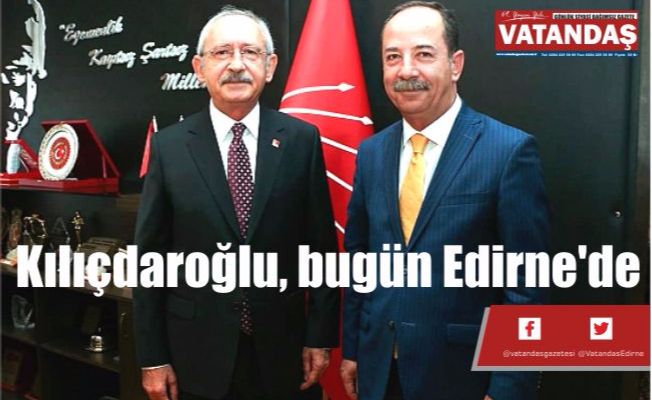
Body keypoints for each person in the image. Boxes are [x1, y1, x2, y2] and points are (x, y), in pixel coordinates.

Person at [340, 2, 549, 400]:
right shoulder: (372, 153)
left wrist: (508, 388)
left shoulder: (508, 152)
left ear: (455, 64)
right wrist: (352, 349)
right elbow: (359, 260)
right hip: (379, 370)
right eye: (392, 57)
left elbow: (527, 285)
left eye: (423, 54)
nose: (406, 71)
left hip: (463, 377)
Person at [133, 6, 339, 400]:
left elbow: (321, 249)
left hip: (284, 350)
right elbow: (149, 260)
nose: (237, 65)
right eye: (222, 52)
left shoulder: (301, 140)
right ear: (199, 67)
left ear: (270, 66)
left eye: (250, 52)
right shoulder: (169, 147)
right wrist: (153, 357)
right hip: (195, 354)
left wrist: (320, 336)